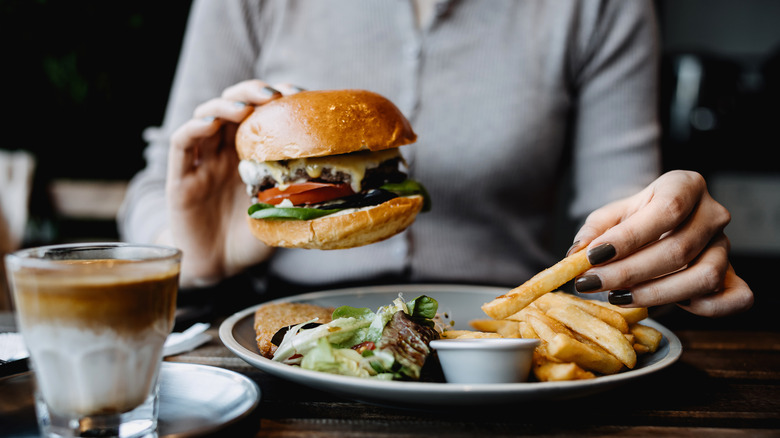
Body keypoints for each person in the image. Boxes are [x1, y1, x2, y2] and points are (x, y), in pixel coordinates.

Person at [118, 0, 752, 317]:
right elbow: (154, 186)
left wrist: (662, 233)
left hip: (500, 331)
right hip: (288, 328)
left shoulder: (600, 7)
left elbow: (623, 213)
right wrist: (186, 246)